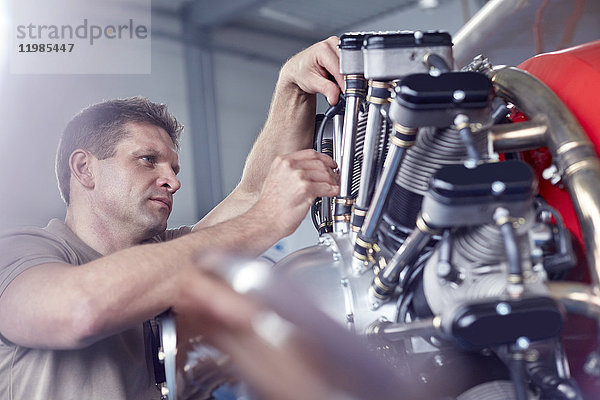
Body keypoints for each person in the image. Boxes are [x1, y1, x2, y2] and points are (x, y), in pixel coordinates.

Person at [0, 36, 343, 399]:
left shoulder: (168, 255)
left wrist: (294, 87)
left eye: (174, 168)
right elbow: (80, 309)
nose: (174, 181)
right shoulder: (20, 254)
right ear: (85, 169)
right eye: (147, 159)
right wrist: (264, 220)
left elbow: (253, 193)